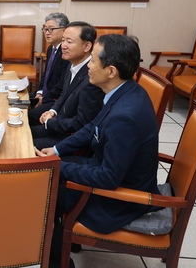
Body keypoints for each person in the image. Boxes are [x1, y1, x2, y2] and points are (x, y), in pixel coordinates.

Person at [36, 34, 161, 267]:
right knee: (46, 174)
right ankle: (62, 245)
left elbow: (108, 178)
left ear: (111, 71)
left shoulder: (125, 115)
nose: (89, 66)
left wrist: (57, 166)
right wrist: (55, 150)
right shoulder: (124, 90)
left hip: (119, 198)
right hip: (106, 168)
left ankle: (57, 262)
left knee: (42, 191)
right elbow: (91, 129)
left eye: (93, 60)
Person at [31, 21, 104, 149]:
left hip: (70, 137)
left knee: (24, 144)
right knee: (23, 132)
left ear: (87, 46)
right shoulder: (72, 64)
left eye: (69, 42)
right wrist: (52, 111)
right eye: (63, 40)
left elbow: (82, 123)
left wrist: (51, 122)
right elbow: (63, 96)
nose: (63, 46)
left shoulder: (92, 78)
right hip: (60, 125)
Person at [28, 12, 70, 121]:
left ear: (64, 30)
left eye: (51, 29)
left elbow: (62, 83)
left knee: (30, 115)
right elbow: (46, 75)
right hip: (46, 94)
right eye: (45, 29)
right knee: (17, 99)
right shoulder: (51, 48)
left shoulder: (66, 52)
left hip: (56, 98)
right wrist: (39, 92)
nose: (47, 33)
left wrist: (44, 99)